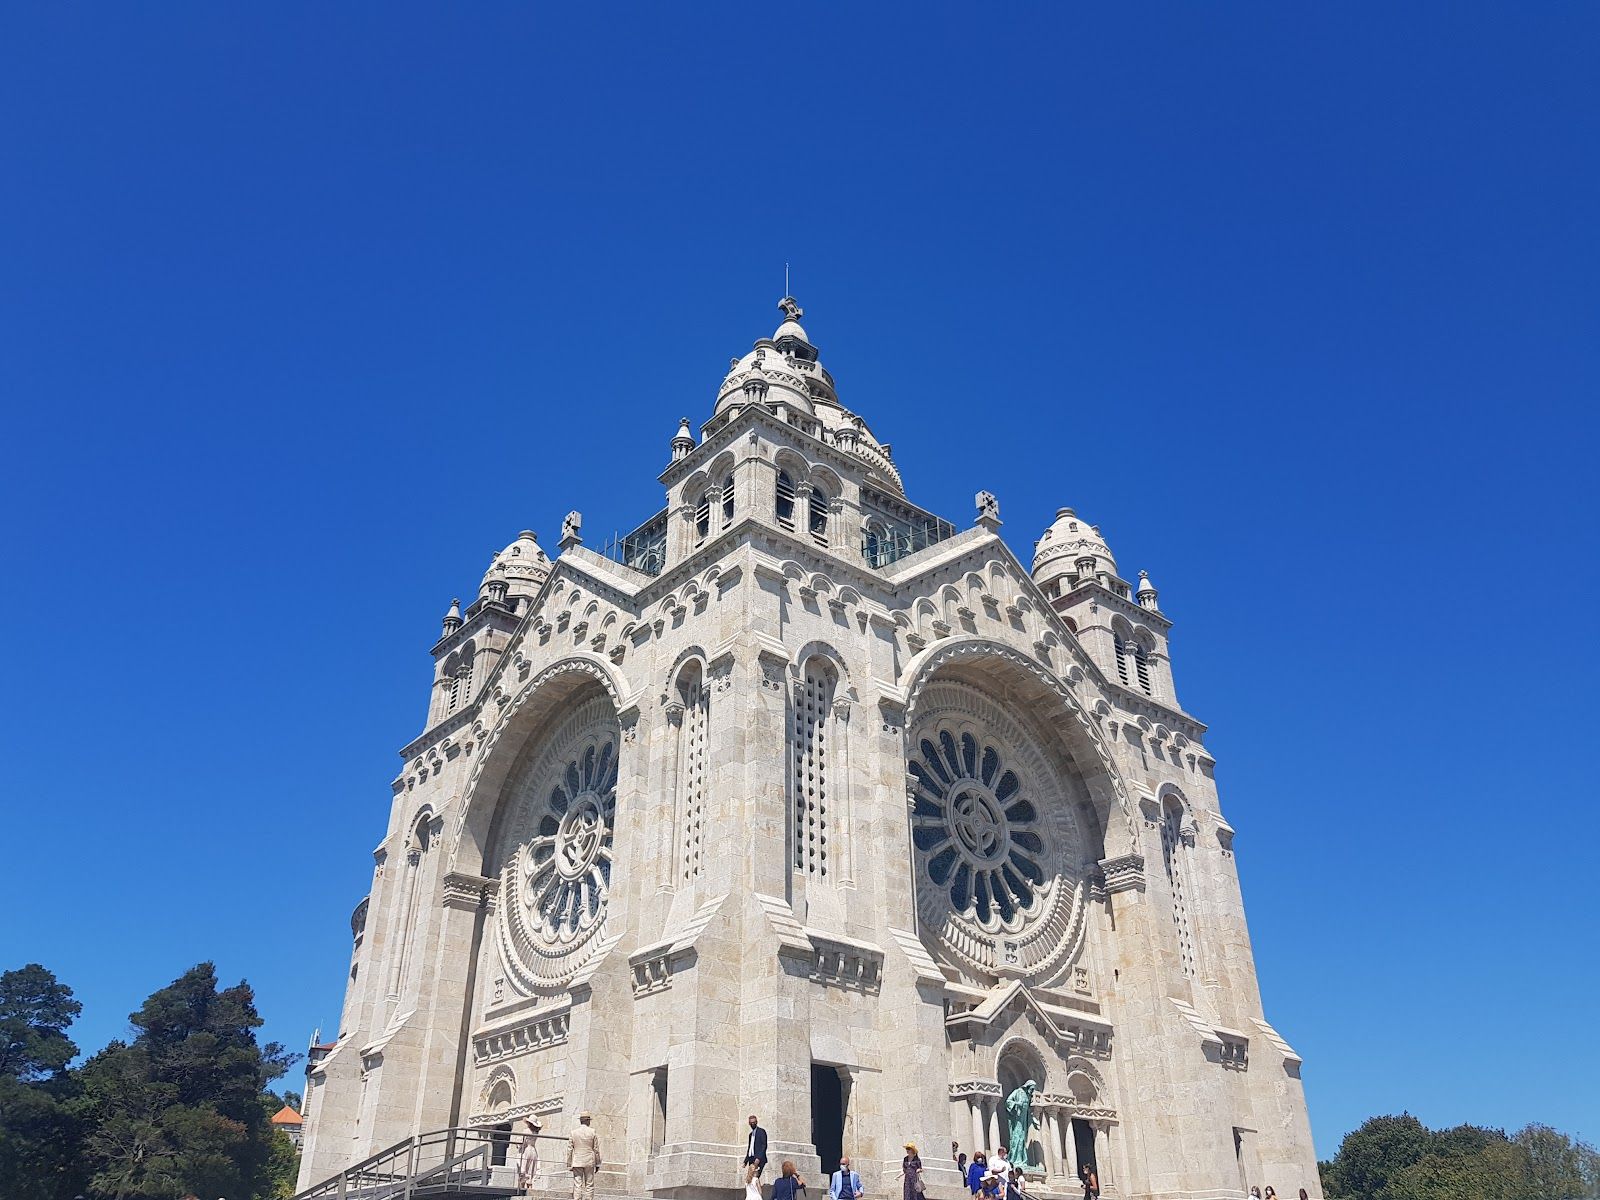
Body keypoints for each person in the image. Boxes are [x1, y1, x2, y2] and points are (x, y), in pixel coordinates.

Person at [567, 1111, 601, 1200]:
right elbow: (596, 1149)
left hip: (577, 1160)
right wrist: (598, 1163)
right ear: (588, 1121)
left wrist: (569, 1163)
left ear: (581, 1121)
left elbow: (569, 1149)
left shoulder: (573, 1133)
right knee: (589, 1184)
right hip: (589, 1161)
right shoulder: (593, 1132)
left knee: (577, 1184)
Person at [517, 1118, 542, 1197]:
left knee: (523, 1170)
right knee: (531, 1171)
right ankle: (530, 1191)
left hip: (526, 1151)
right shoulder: (536, 1132)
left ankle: (521, 1191)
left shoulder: (526, 1131)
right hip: (533, 1151)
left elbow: (521, 1143)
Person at [744, 1115, 770, 1187]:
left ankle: (757, 1195)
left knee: (755, 1178)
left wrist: (758, 1158)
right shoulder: (750, 1134)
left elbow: (764, 1145)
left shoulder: (761, 1132)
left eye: (754, 1122)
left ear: (756, 1122)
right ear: (749, 1123)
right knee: (750, 1179)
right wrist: (745, 1161)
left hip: (759, 1160)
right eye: (751, 1123)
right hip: (751, 1159)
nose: (753, 1124)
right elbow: (750, 1148)